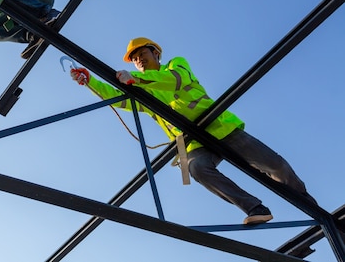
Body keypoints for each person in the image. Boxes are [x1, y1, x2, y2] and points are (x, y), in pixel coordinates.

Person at [70, 37, 316, 225]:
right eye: (134, 59)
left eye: (142, 54)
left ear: (155, 52)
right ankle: (256, 209)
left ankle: (307, 202)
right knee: (197, 168)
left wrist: (137, 79)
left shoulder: (174, 66)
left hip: (218, 126)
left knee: (275, 165)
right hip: (190, 144)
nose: (138, 60)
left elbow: (176, 81)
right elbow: (121, 100)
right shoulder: (145, 89)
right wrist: (90, 81)